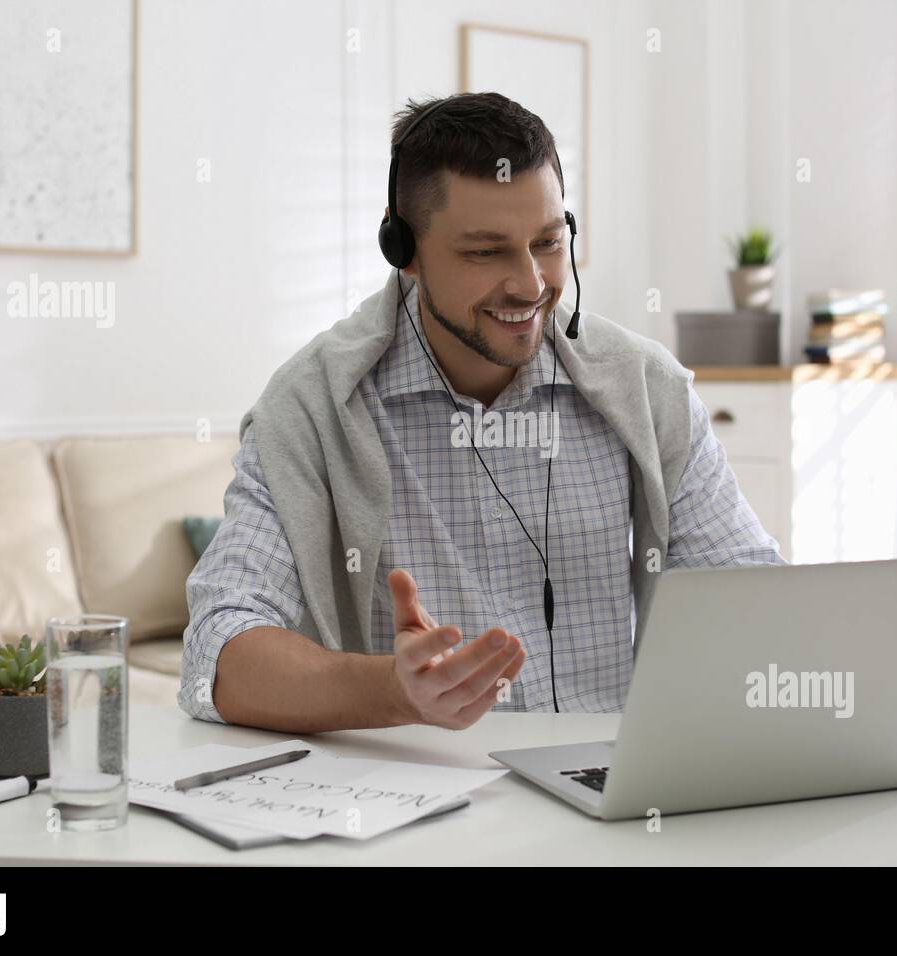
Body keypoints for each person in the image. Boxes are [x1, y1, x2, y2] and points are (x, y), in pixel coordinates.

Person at [179, 91, 785, 735]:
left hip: (613, 799)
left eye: (548, 242)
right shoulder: (310, 407)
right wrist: (390, 689)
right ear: (403, 247)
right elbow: (217, 650)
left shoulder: (645, 388)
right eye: (484, 252)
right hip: (419, 813)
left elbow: (749, 599)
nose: (528, 284)